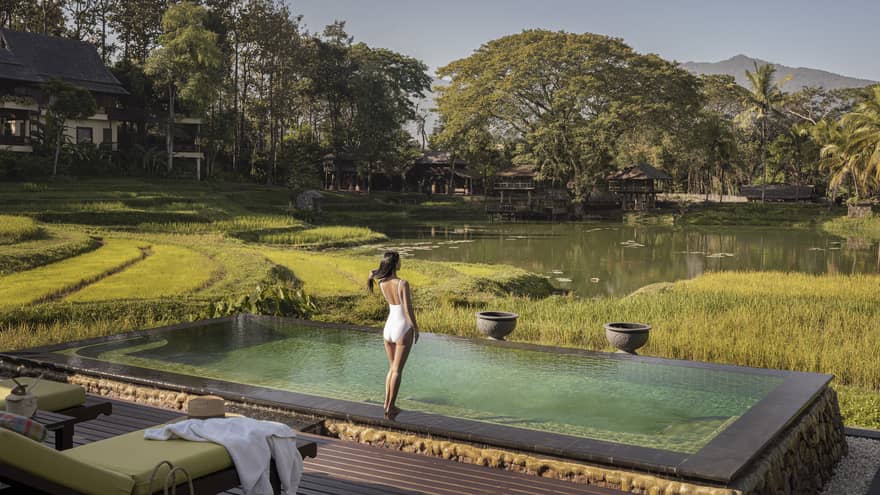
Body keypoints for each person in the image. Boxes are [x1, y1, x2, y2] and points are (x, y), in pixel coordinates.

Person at [368, 251, 419, 419]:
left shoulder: (382, 282)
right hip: (402, 327)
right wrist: (415, 327)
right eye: (399, 260)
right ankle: (391, 407)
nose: (401, 262)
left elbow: (374, 273)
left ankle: (386, 403)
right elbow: (407, 308)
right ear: (395, 263)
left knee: (392, 369)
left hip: (388, 328)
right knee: (397, 370)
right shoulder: (402, 283)